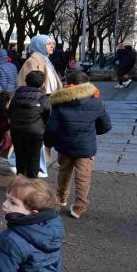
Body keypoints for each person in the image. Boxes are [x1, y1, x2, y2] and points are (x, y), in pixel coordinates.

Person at [44, 70, 111, 218]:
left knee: (64, 172)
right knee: (83, 177)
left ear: (70, 84)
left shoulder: (59, 101)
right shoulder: (96, 100)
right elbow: (106, 125)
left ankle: (61, 198)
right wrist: (91, 133)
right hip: (86, 147)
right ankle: (80, 207)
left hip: (65, 145)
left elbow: (52, 127)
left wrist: (48, 142)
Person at [15, 35, 60, 176]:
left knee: (40, 137)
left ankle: (37, 167)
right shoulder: (34, 61)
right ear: (40, 45)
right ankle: (38, 168)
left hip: (46, 101)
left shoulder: (45, 60)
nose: (52, 46)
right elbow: (28, 84)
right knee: (37, 136)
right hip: (38, 102)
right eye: (48, 44)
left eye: (52, 43)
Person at [7, 71, 51, 179]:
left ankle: (19, 185)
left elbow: (10, 112)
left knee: (20, 158)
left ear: (26, 82)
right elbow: (48, 115)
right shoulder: (43, 98)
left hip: (17, 131)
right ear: (42, 84)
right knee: (34, 159)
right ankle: (32, 185)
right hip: (35, 131)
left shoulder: (16, 96)